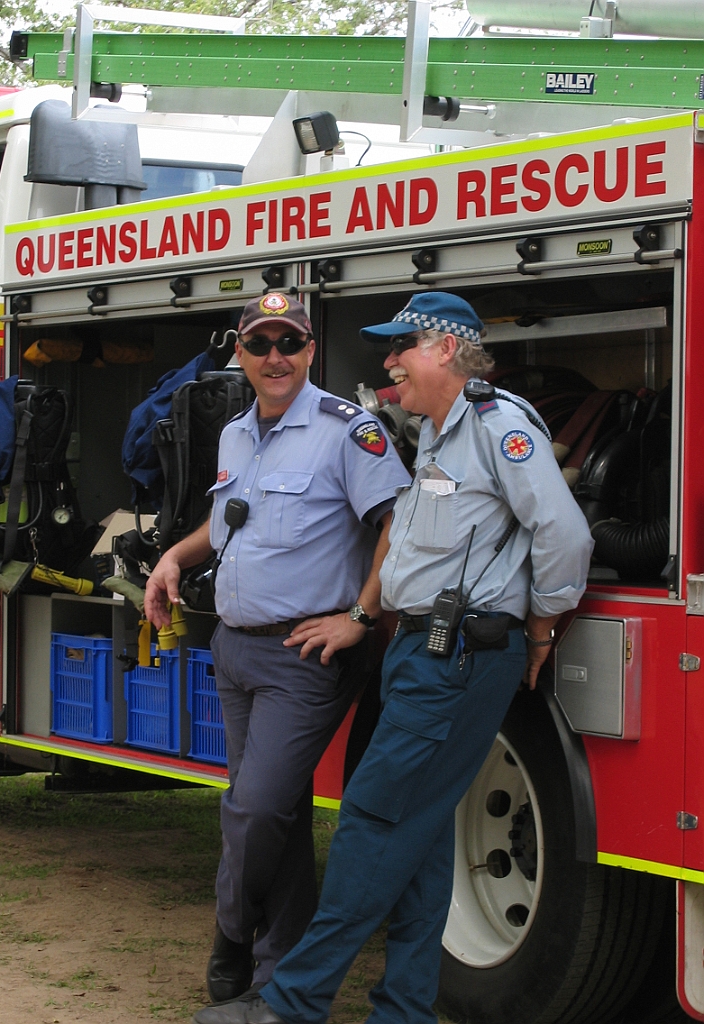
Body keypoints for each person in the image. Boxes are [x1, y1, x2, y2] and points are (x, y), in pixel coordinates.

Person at [192, 291, 593, 1024]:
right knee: (423, 840)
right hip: (420, 649)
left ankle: (290, 1003)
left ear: (444, 349)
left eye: (401, 346)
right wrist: (365, 618)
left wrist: (540, 630)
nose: (388, 361)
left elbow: (564, 535)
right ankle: (404, 1009)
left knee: (373, 822)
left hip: (460, 654)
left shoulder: (498, 427)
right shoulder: (438, 432)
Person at [144, 292, 410, 1004]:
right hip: (233, 649)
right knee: (278, 817)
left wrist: (361, 613)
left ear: (310, 350)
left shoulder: (347, 431)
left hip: (305, 655)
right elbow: (229, 524)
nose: (274, 358)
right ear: (240, 352)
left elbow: (400, 522)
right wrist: (175, 555)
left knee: (256, 809)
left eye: (288, 343)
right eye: (259, 344)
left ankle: (232, 932)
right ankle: (274, 976)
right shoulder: (235, 433)